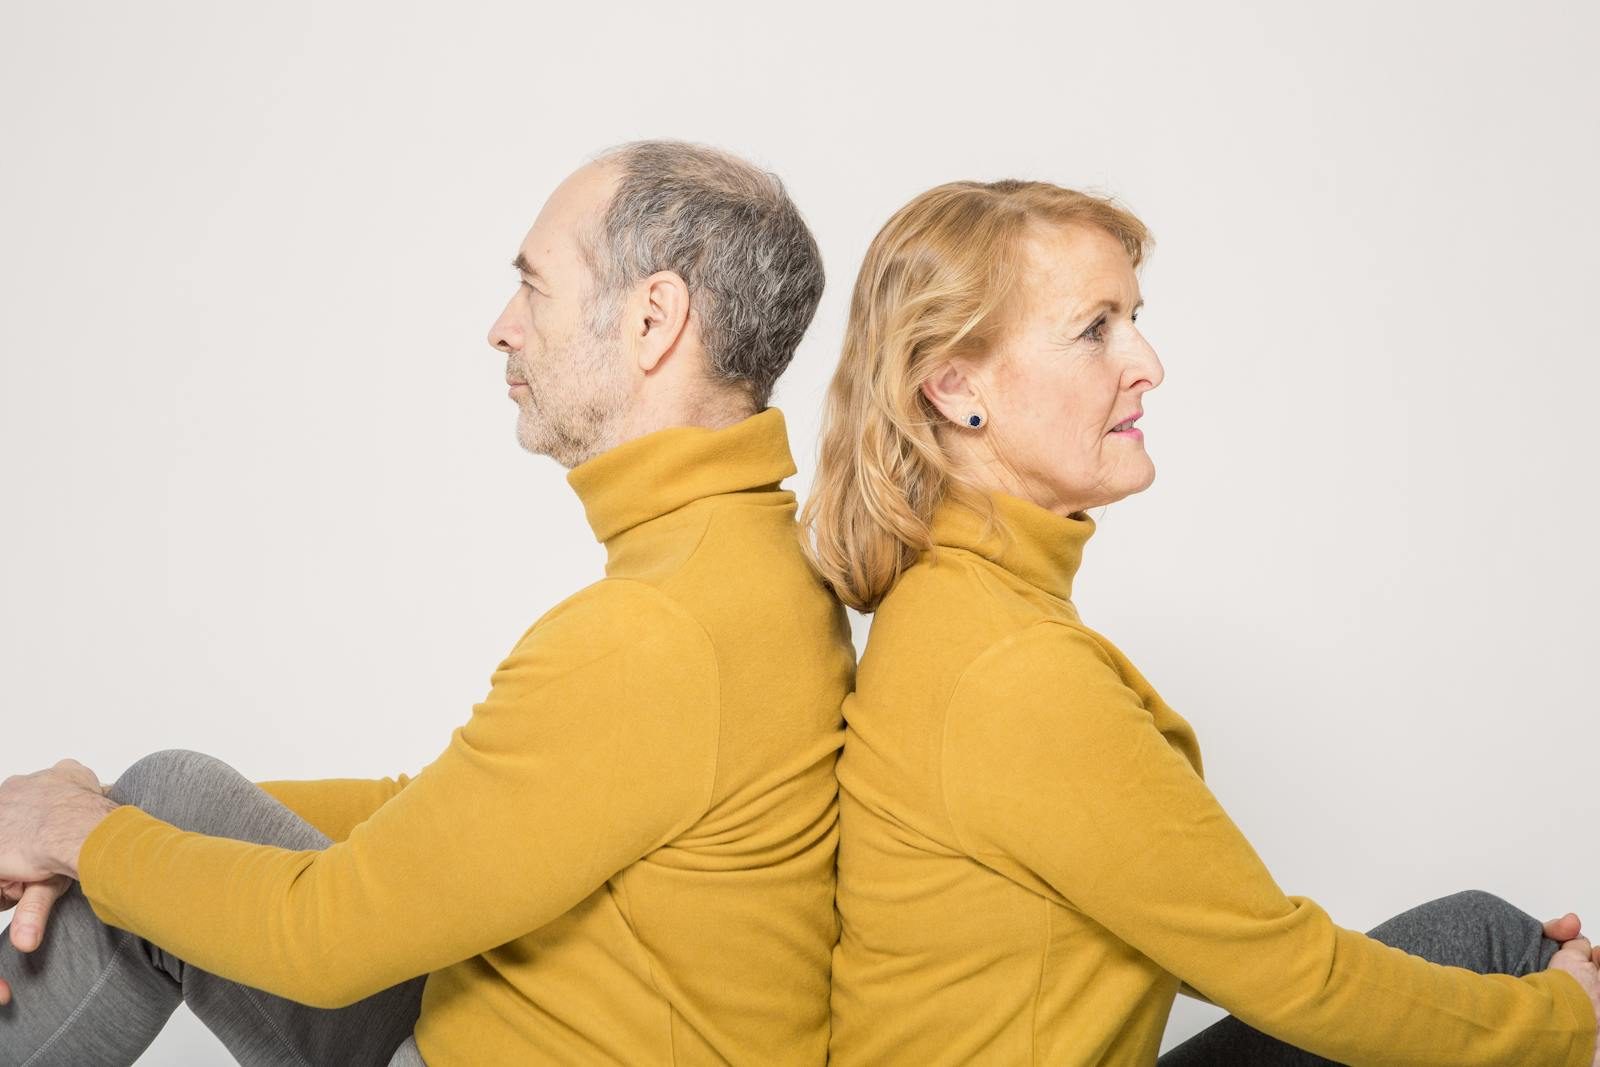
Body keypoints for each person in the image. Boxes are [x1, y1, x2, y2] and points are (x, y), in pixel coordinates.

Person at [0, 138, 855, 1066]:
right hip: (489, 1024)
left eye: (534, 287)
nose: (502, 326)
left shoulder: (654, 631)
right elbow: (442, 817)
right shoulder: (752, 568)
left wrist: (71, 832)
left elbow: (322, 940)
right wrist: (114, 813)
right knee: (160, 804)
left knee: (128, 846)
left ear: (653, 321)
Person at [799, 177, 1600, 1065]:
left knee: (1483, 939)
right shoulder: (1015, 668)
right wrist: (1564, 1016)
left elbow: (1209, 934)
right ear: (953, 384)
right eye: (1095, 328)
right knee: (1511, 962)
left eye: (1134, 317)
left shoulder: (959, 610)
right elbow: (1288, 973)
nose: (1147, 363)